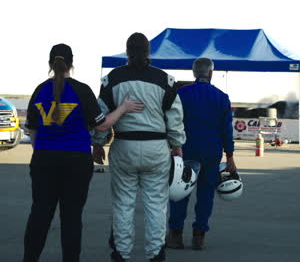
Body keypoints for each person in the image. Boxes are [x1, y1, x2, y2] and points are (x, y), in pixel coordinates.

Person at [23, 43, 144, 262]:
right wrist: (123, 108)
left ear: (50, 64)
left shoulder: (39, 90)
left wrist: (40, 150)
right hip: (76, 162)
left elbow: (32, 127)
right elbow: (101, 125)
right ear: (72, 64)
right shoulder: (82, 90)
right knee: (71, 218)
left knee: (39, 215)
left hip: (44, 161)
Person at [91, 33, 185, 262]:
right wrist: (177, 146)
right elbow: (175, 118)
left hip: (124, 146)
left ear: (127, 51)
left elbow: (101, 116)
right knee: (156, 204)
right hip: (157, 148)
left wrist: (98, 143)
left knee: (123, 203)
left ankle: (122, 253)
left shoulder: (112, 79)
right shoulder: (165, 80)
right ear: (148, 51)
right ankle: (155, 253)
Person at [166, 58, 237, 250]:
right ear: (211, 73)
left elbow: (172, 123)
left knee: (180, 194)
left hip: (185, 149)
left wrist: (171, 146)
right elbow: (226, 130)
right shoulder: (222, 97)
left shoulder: (181, 94)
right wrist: (230, 156)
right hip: (212, 152)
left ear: (194, 73)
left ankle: (175, 235)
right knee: (206, 195)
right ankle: (199, 237)